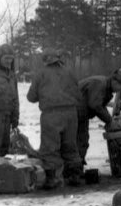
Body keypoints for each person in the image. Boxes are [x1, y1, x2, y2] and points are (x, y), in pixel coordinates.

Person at [26, 47, 84, 189]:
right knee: (70, 145)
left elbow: (31, 97)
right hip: (71, 113)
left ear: (45, 60)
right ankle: (75, 176)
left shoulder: (41, 74)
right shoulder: (69, 71)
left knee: (50, 147)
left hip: (51, 114)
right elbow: (78, 93)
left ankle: (53, 179)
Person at [76, 75, 121, 167]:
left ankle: (77, 166)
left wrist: (109, 119)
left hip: (80, 112)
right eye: (120, 86)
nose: (120, 89)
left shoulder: (105, 86)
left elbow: (100, 105)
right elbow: (95, 105)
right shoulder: (100, 84)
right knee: (79, 140)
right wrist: (109, 121)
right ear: (114, 81)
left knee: (82, 140)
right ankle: (75, 168)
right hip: (75, 112)